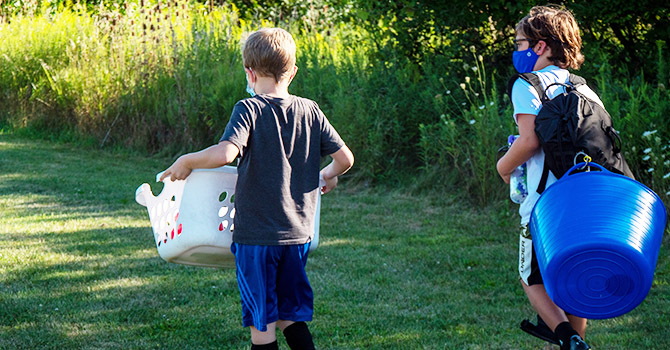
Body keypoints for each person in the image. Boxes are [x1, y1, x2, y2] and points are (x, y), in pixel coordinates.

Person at [160, 27, 354, 350]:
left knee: (262, 326)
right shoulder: (311, 111)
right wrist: (328, 175)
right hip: (297, 238)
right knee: (291, 316)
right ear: (291, 72)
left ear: (249, 73)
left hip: (257, 241)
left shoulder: (249, 109)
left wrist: (187, 160)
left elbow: (226, 153)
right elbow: (345, 158)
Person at [496, 5, 596, 350]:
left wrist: (502, 167)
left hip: (544, 201)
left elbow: (529, 140)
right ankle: (578, 340)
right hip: (583, 195)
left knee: (531, 277)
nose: (516, 50)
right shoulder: (582, 88)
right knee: (572, 274)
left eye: (520, 42)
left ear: (539, 45)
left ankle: (567, 338)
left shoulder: (528, 85)